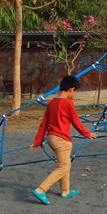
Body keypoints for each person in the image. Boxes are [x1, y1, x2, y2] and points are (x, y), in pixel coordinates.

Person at [29, 75, 94, 205]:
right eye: (75, 91)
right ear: (71, 90)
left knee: (65, 164)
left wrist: (38, 141)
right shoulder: (68, 103)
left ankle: (65, 190)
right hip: (61, 140)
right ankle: (41, 189)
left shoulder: (52, 102)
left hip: (51, 138)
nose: (74, 94)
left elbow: (44, 123)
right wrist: (87, 133)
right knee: (63, 166)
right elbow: (75, 121)